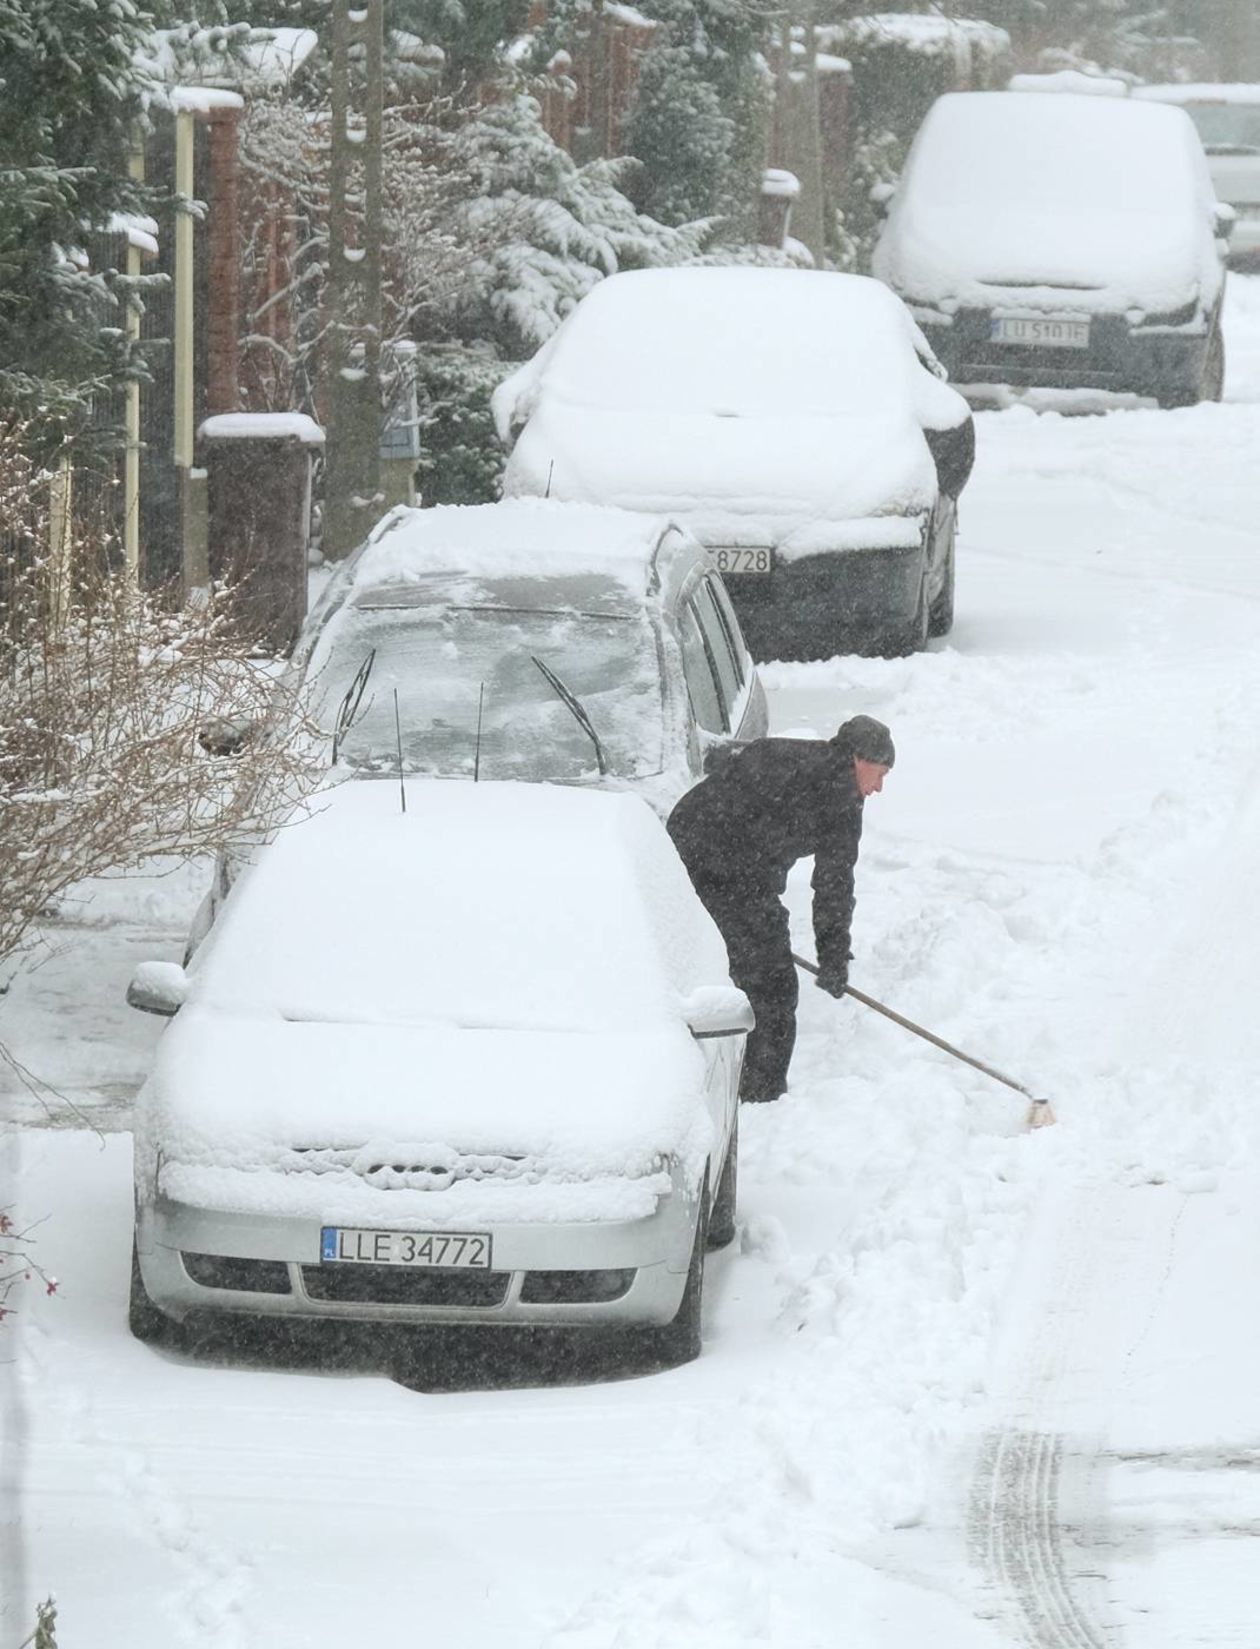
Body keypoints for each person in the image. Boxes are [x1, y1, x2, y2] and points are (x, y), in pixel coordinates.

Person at [667, 715, 895, 1104]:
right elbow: (833, 885)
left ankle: (731, 1076)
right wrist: (831, 957)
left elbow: (833, 884)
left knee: (719, 965)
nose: (879, 788)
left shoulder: (795, 757)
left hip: (683, 848)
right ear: (859, 758)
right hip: (721, 868)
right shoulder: (835, 797)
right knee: (772, 986)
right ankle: (758, 1094)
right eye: (880, 773)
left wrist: (832, 953)